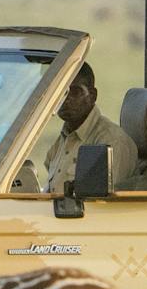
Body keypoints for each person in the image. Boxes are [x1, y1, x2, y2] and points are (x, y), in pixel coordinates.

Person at [41, 62, 137, 193]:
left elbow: (104, 205)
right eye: (60, 92)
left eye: (75, 92)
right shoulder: (65, 137)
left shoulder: (111, 142)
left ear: (92, 95)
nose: (66, 99)